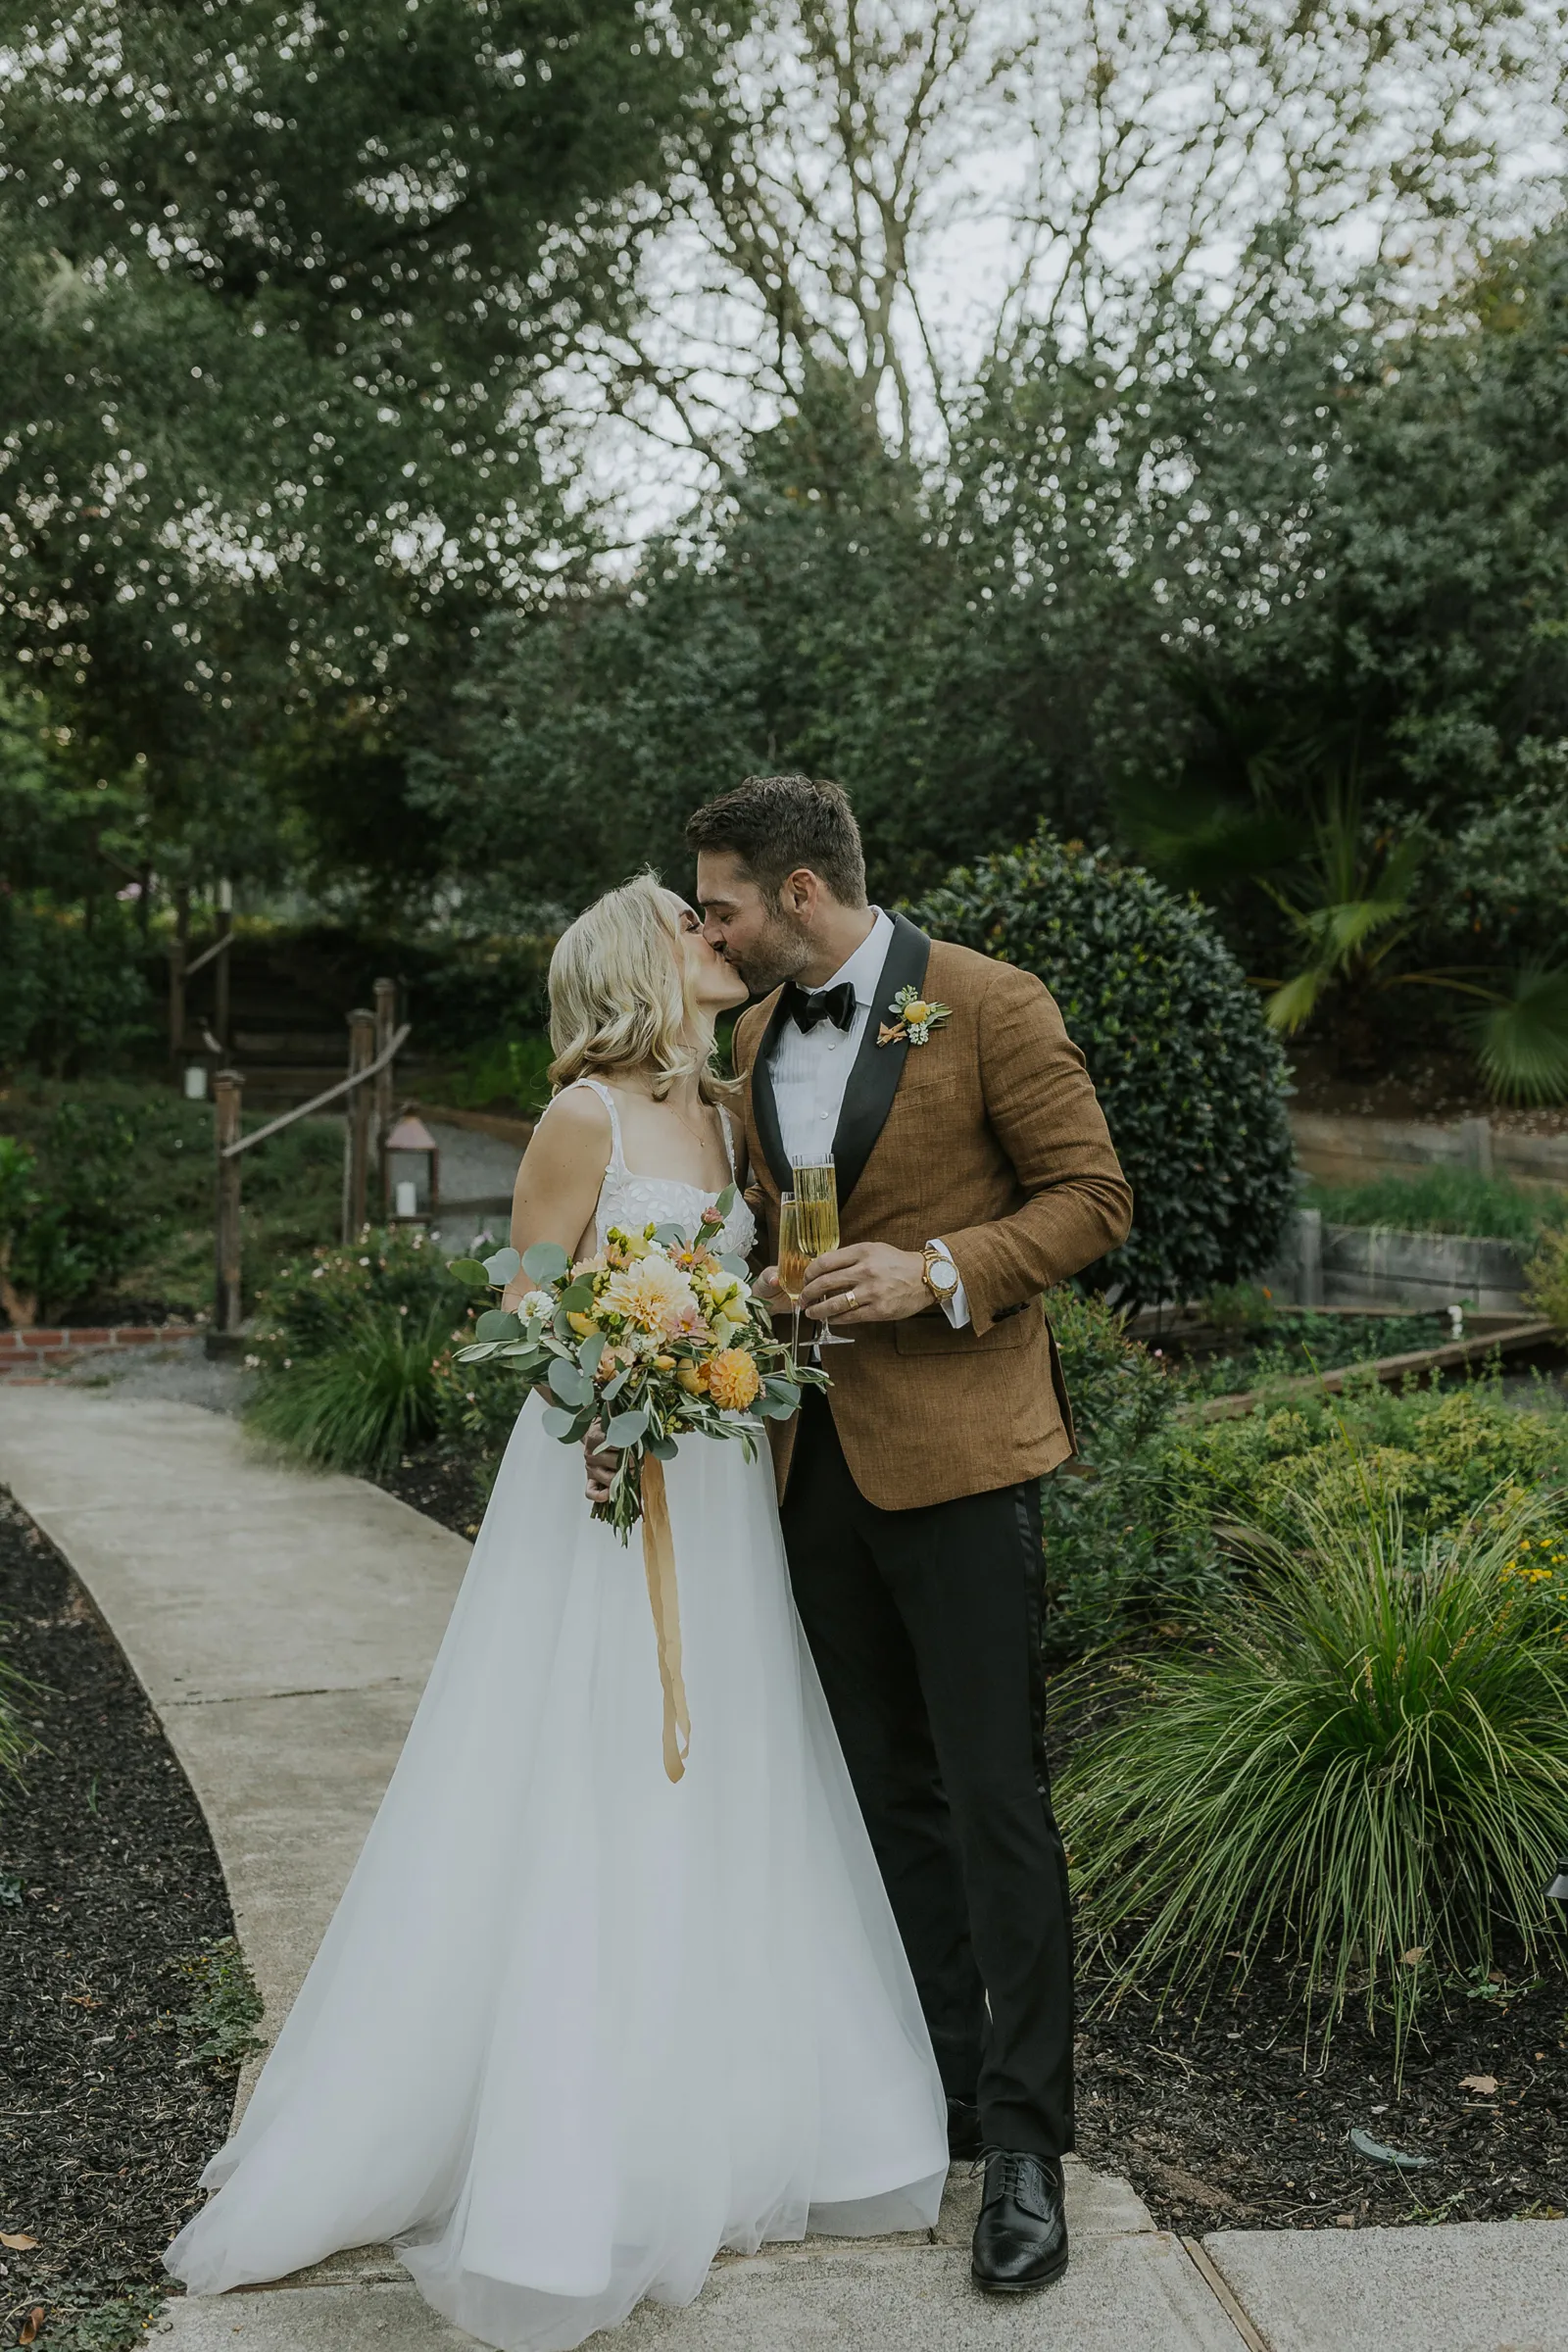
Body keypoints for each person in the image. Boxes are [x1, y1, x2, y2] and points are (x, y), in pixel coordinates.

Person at [165, 873, 948, 2352]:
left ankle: (731, 2110)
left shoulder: (726, 1116)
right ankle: (575, 2154)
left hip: (719, 1481)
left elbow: (743, 1286)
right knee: (595, 1767)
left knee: (731, 1766)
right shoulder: (580, 1119)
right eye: (689, 925)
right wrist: (606, 1383)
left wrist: (736, 1335)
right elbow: (525, 1300)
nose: (715, 936)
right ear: (634, 965)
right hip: (604, 1480)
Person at [686, 774, 1133, 2296]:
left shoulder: (993, 1003)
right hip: (809, 1465)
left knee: (997, 1798)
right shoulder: (753, 1035)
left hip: (964, 1460)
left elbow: (1093, 1198)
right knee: (888, 1799)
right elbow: (758, 1219)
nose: (710, 933)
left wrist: (935, 1269)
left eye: (723, 907)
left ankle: (1028, 2149)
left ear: (801, 893)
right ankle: (944, 2093)